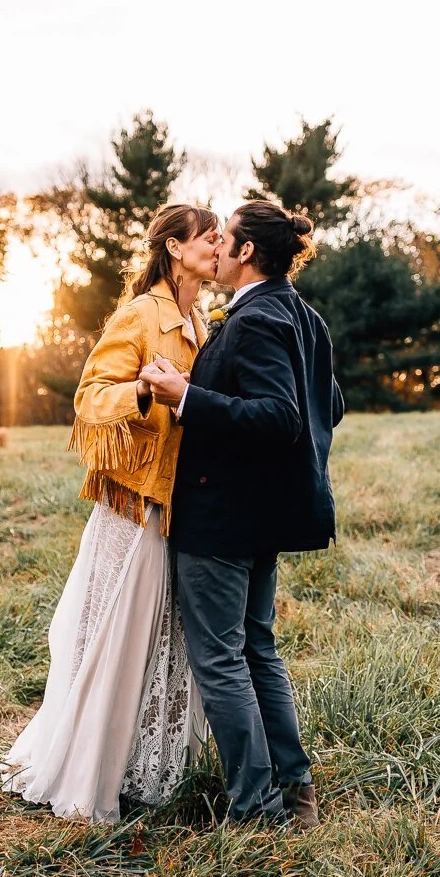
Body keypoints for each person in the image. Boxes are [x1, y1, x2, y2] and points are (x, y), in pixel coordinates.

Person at [0, 204, 220, 822]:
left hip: (181, 505)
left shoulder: (201, 317)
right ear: (174, 248)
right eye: (208, 236)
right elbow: (90, 397)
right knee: (117, 639)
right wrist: (144, 389)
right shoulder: (142, 314)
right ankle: (89, 771)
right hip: (136, 506)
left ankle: (149, 770)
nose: (220, 243)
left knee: (162, 640)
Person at [141, 199, 344, 828]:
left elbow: (282, 417)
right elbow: (326, 407)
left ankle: (258, 809)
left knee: (223, 659)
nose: (218, 247)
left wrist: (187, 396)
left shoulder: (254, 321)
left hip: (225, 517)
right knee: (258, 648)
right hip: (267, 516)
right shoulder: (305, 318)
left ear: (247, 251)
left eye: (226, 238)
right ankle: (297, 790)